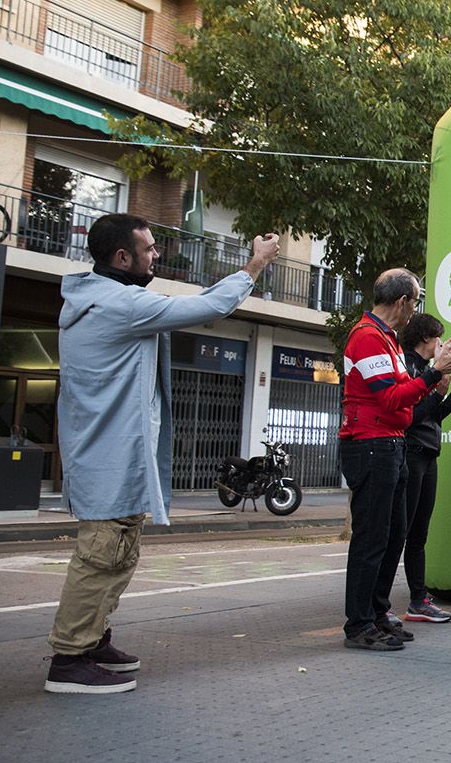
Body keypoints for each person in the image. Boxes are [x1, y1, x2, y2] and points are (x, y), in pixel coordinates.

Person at [45, 214, 280, 694]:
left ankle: (92, 639)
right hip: (109, 458)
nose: (156, 255)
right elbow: (209, 305)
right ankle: (68, 659)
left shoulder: (104, 297)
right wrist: (255, 264)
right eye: (149, 249)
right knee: (101, 555)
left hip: (117, 457)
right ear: (122, 257)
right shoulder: (121, 303)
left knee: (118, 554)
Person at [339, 269, 451, 652]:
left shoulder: (388, 339)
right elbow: (393, 399)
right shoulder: (367, 337)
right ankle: (359, 624)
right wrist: (435, 372)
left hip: (390, 445)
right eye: (415, 301)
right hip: (372, 445)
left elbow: (408, 401)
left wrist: (435, 374)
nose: (415, 310)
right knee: (371, 539)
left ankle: (378, 613)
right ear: (401, 301)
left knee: (392, 535)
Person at [377, 312, 451, 625]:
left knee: (418, 534)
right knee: (399, 533)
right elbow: (411, 417)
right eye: (438, 338)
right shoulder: (408, 368)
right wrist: (439, 386)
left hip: (428, 455)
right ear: (425, 338)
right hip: (410, 454)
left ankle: (418, 601)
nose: (441, 344)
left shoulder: (429, 371)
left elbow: (433, 416)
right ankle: (380, 605)